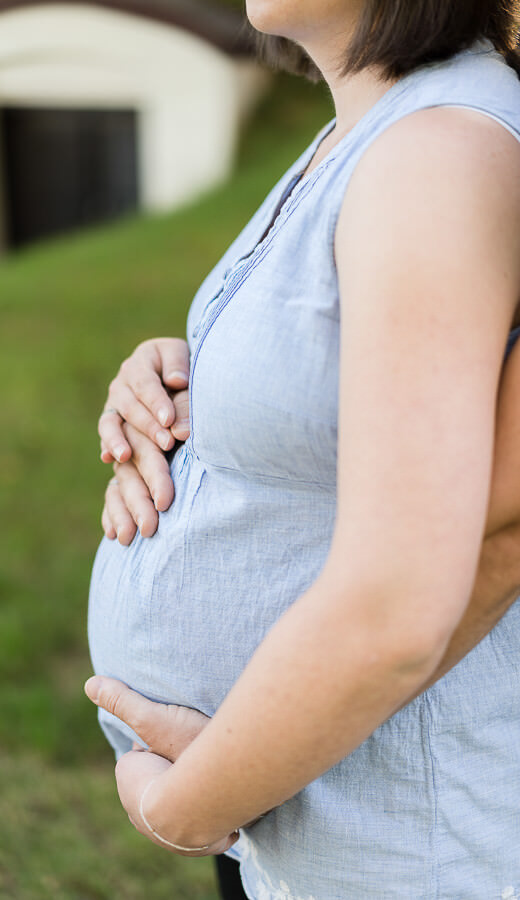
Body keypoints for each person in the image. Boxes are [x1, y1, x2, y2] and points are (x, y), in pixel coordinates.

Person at [85, 1, 520, 896]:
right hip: (301, 810)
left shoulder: (438, 149)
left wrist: (189, 807)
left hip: (395, 845)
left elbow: (405, 601)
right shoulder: (370, 131)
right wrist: (180, 377)